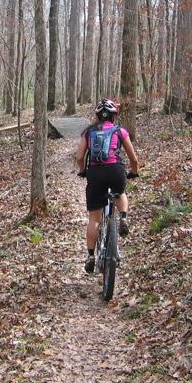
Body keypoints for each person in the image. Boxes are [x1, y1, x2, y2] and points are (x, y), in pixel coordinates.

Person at [75, 99, 139, 274]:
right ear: (114, 115)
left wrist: (82, 171)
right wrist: (134, 172)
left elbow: (79, 156)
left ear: (97, 116)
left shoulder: (88, 132)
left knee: (94, 219)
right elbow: (133, 159)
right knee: (120, 193)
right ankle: (123, 218)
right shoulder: (120, 131)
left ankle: (90, 256)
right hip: (115, 171)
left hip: (95, 173)